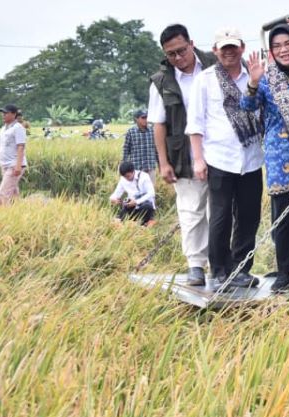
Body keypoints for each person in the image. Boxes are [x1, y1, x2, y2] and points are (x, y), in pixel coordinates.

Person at [187, 27, 265, 289]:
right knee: (220, 217)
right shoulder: (205, 79)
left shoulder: (254, 75)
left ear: (242, 48)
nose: (229, 52)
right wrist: (198, 159)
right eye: (224, 48)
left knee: (249, 216)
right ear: (215, 51)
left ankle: (241, 269)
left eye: (233, 47)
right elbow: (195, 123)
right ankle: (220, 270)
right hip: (219, 157)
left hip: (251, 157)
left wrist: (256, 81)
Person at [243, 24, 289, 294]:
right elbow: (247, 107)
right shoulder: (266, 79)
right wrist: (253, 83)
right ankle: (284, 274)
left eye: (288, 44)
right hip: (279, 157)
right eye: (277, 46)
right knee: (283, 220)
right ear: (271, 52)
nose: (283, 50)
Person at [148, 23, 215, 287]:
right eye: (171, 54)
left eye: (181, 51)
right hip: (183, 155)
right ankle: (196, 265)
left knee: (222, 212)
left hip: (219, 151)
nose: (178, 58)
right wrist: (163, 162)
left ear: (192, 44)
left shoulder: (214, 66)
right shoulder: (161, 81)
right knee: (191, 210)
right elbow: (158, 124)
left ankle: (223, 264)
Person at [0, 103, 28, 205]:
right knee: (13, 194)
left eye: (6, 113)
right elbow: (0, 148)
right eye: (3, 113)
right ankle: (19, 212)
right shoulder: (3, 129)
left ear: (14, 114)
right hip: (5, 165)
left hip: (13, 165)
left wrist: (18, 166)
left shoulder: (18, 128)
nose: (3, 115)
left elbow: (21, 147)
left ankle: (2, 214)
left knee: (3, 194)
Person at [108, 160, 157, 225]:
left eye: (128, 176)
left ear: (133, 171)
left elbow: (151, 193)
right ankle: (136, 222)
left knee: (148, 206)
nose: (127, 179)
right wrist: (113, 199)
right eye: (124, 177)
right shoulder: (123, 179)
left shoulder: (144, 176)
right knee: (126, 205)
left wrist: (136, 202)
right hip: (131, 207)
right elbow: (115, 194)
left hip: (145, 206)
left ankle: (137, 222)